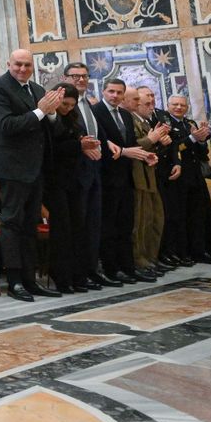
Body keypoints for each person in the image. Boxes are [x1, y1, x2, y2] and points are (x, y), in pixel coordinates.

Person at [0, 50, 62, 301]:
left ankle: (30, 279)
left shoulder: (38, 89)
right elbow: (6, 125)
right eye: (18, 64)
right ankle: (15, 281)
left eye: (27, 65)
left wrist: (51, 114)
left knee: (30, 224)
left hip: (35, 167)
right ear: (9, 64)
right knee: (12, 222)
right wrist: (40, 112)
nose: (23, 69)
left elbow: (52, 129)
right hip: (11, 167)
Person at [92, 76, 159, 284]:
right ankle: (112, 269)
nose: (115, 96)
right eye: (111, 91)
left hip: (126, 178)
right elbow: (99, 144)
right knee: (109, 227)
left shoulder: (125, 115)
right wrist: (123, 152)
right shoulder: (95, 113)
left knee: (125, 225)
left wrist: (145, 155)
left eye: (119, 92)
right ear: (103, 91)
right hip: (106, 177)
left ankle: (128, 267)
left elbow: (131, 145)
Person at [63, 63, 119, 289]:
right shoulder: (63, 106)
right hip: (74, 174)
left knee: (94, 226)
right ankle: (78, 274)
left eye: (85, 76)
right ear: (65, 78)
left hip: (94, 171)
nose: (80, 80)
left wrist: (108, 143)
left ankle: (91, 270)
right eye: (75, 76)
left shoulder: (88, 103)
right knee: (79, 227)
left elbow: (97, 134)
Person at [43, 83, 93, 293]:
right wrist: (78, 146)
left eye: (72, 105)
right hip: (54, 181)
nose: (68, 108)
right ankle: (61, 277)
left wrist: (86, 144)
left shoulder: (72, 117)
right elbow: (52, 147)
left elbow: (77, 137)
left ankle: (77, 275)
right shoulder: (47, 118)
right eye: (65, 104)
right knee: (61, 230)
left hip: (73, 180)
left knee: (77, 228)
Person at [158, 95, 211, 265]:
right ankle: (182, 252)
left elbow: (201, 153)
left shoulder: (189, 124)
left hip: (195, 175)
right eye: (175, 104)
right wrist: (192, 139)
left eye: (182, 105)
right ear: (167, 105)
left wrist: (201, 141)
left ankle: (200, 250)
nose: (178, 107)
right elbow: (174, 147)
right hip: (177, 176)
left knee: (199, 215)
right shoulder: (165, 124)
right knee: (180, 215)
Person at [128, 87, 173, 274]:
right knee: (140, 221)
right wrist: (152, 139)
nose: (145, 105)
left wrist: (159, 143)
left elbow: (150, 150)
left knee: (155, 219)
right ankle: (140, 259)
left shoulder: (145, 122)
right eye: (139, 101)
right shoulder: (129, 119)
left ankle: (151, 257)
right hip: (137, 176)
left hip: (150, 175)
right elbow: (131, 146)